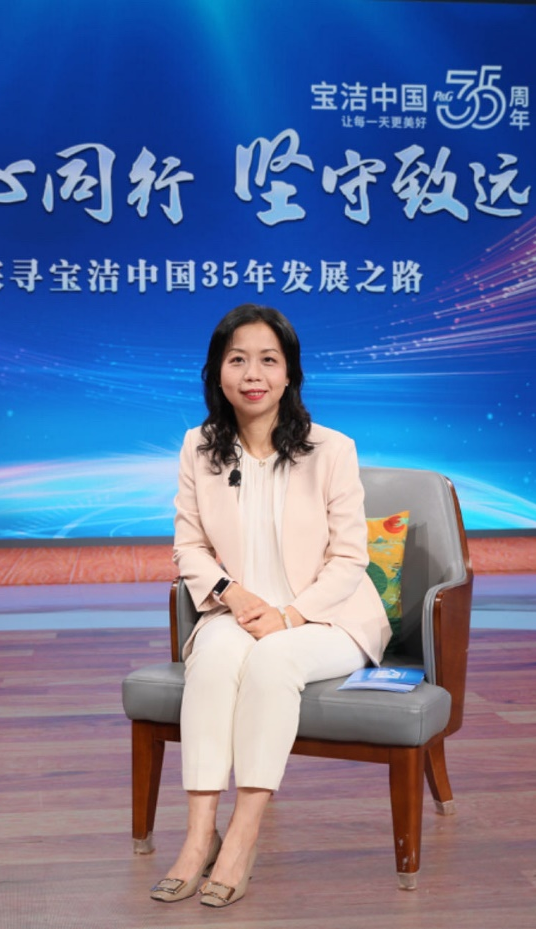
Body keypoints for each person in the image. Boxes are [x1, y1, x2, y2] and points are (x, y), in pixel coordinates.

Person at [149, 304, 392, 908]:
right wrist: (234, 596)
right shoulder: (198, 447)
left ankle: (243, 836)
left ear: (289, 374)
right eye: (238, 360)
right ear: (217, 372)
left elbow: (350, 559)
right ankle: (199, 836)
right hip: (237, 610)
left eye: (268, 360)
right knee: (212, 659)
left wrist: (289, 616)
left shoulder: (331, 449)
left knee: (273, 660)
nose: (252, 374)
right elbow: (189, 546)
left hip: (327, 617)